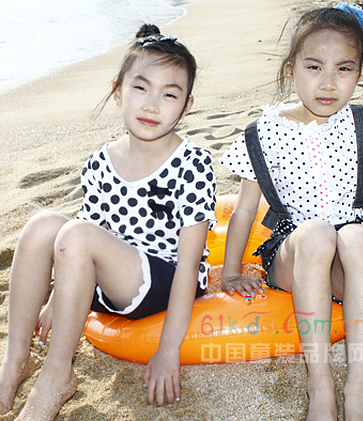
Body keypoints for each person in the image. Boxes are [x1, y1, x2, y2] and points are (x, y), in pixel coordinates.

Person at [0, 24, 216, 420]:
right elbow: (87, 229)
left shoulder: (193, 164)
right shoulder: (101, 161)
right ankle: (15, 361)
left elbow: (188, 264)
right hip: (108, 276)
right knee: (42, 225)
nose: (152, 105)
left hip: (163, 279)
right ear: (118, 92)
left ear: (186, 107)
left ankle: (56, 375)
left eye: (169, 95)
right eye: (141, 88)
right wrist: (56, 300)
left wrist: (168, 349)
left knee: (78, 234)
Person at [220, 4, 363, 421]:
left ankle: (358, 391)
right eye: (314, 67)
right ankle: (319, 385)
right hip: (294, 253)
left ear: (359, 74)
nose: (328, 82)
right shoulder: (265, 132)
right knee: (317, 233)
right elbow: (244, 211)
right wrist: (230, 272)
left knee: (357, 234)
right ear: (291, 69)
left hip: (346, 263)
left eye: (344, 69)